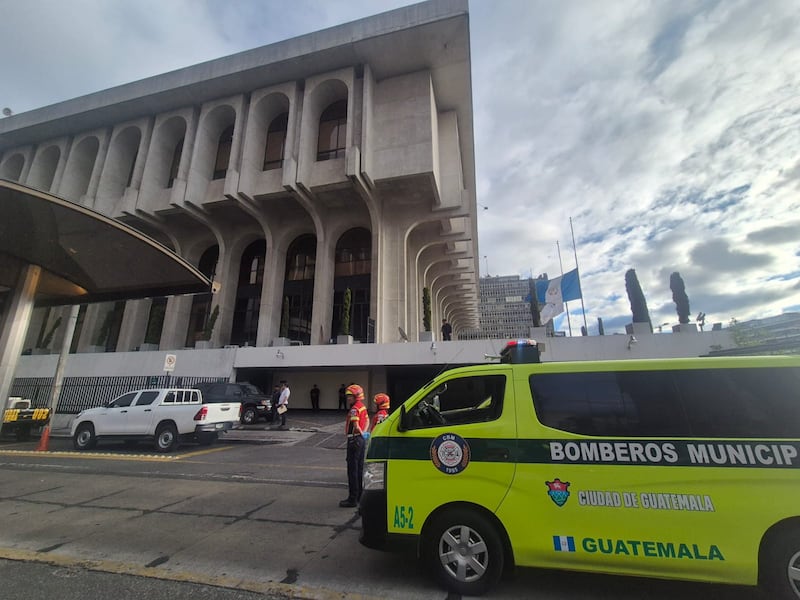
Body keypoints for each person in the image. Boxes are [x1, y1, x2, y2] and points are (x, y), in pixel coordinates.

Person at [340, 383, 368, 508]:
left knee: (352, 471)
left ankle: (352, 499)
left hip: (353, 440)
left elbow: (355, 425)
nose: (348, 398)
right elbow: (367, 421)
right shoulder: (362, 407)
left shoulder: (354, 409)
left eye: (350, 396)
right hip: (361, 441)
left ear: (356, 396)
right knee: (359, 469)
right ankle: (359, 496)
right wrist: (364, 434)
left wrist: (359, 433)